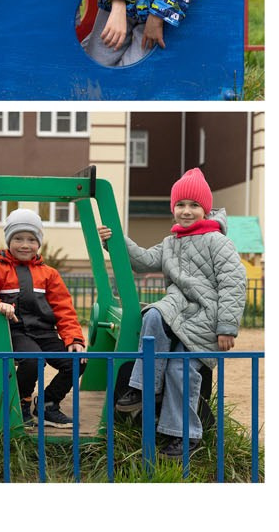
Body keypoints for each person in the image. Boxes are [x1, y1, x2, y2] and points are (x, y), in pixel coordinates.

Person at [101, 169, 248, 457]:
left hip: (206, 317)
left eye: (194, 205)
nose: (186, 211)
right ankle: (145, 388)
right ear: (173, 209)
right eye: (180, 205)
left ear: (206, 210)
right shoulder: (171, 242)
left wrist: (227, 327)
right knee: (153, 315)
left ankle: (184, 437)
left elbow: (234, 282)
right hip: (177, 311)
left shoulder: (217, 241)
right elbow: (143, 261)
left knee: (181, 370)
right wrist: (115, 239)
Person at [0, 209, 87, 421]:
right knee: (32, 360)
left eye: (31, 239)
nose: (25, 245)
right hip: (16, 331)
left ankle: (48, 403)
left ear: (39, 242)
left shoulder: (48, 274)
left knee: (77, 361)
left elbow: (64, 308)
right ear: (8, 239)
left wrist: (74, 338)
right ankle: (21, 402)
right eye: (18, 238)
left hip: (43, 332)